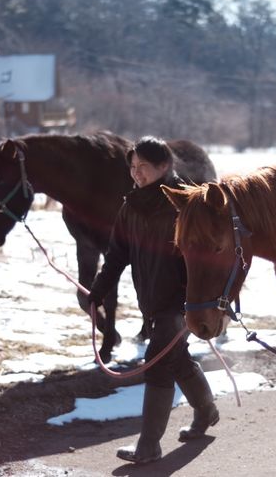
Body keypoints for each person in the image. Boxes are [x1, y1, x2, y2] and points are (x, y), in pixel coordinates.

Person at [86, 136, 219, 464]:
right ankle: (207, 411)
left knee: (157, 362)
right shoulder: (131, 206)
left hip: (182, 302)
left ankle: (149, 446)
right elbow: (117, 255)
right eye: (133, 167)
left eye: (143, 166)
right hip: (152, 300)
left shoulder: (186, 203)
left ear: (164, 166)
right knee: (175, 359)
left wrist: (198, 301)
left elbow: (203, 257)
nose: (137, 173)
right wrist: (97, 292)